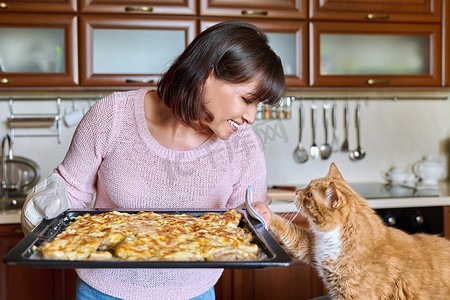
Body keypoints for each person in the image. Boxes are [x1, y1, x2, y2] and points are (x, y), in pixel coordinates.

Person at [21, 20, 285, 300]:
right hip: (103, 291)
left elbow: (240, 221)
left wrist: (259, 219)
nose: (251, 117)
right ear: (208, 75)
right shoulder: (111, 116)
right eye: (247, 100)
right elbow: (69, 192)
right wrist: (49, 203)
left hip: (194, 293)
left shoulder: (245, 144)